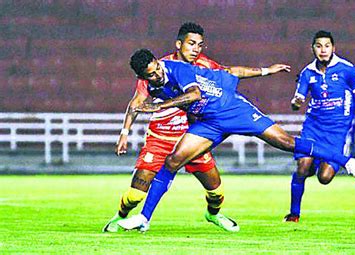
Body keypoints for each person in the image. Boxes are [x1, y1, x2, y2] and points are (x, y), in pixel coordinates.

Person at [116, 48, 355, 230]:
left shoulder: (178, 69)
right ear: (143, 76)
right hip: (209, 123)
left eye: (157, 68)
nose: (158, 75)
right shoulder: (151, 85)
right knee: (172, 161)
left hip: (234, 110)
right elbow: (230, 72)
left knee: (286, 143)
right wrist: (126, 131)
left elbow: (192, 95)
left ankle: (347, 161)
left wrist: (160, 107)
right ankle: (144, 218)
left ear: (157, 62)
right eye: (152, 74)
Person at [103, 22, 294, 233]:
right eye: (191, 44)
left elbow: (232, 72)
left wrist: (267, 70)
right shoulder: (156, 68)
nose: (196, 49)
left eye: (200, 45)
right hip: (161, 138)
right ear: (179, 44)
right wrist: (125, 132)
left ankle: (213, 215)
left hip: (193, 137)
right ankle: (119, 217)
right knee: (135, 195)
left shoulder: (204, 65)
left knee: (216, 192)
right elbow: (137, 102)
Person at [283, 30, 355, 223]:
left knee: (324, 178)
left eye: (327, 46)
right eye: (318, 46)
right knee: (302, 167)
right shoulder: (307, 73)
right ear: (313, 49)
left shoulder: (347, 69)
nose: (323, 50)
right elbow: (297, 102)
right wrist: (296, 102)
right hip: (313, 127)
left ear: (333, 48)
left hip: (337, 130)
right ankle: (294, 214)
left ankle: (318, 162)